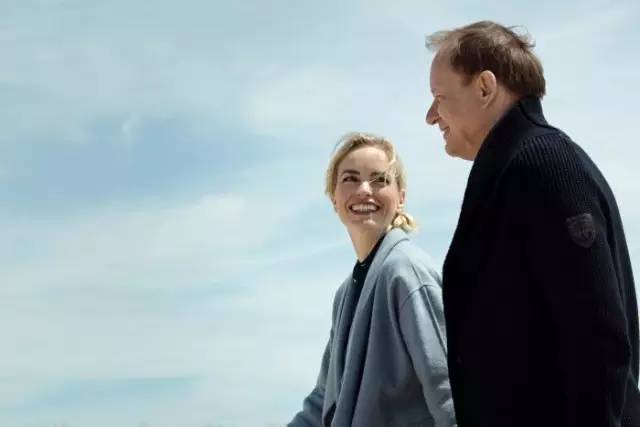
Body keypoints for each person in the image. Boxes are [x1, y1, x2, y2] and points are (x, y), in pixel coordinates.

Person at [424, 20, 640, 427]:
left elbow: (598, 342)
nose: (431, 116)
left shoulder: (543, 166)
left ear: (485, 88)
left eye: (439, 97)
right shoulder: (518, 169)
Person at [288, 132, 456, 427]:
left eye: (380, 180)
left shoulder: (406, 272)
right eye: (350, 179)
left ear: (401, 198)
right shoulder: (346, 293)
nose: (364, 190)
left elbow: (450, 394)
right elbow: (323, 400)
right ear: (334, 198)